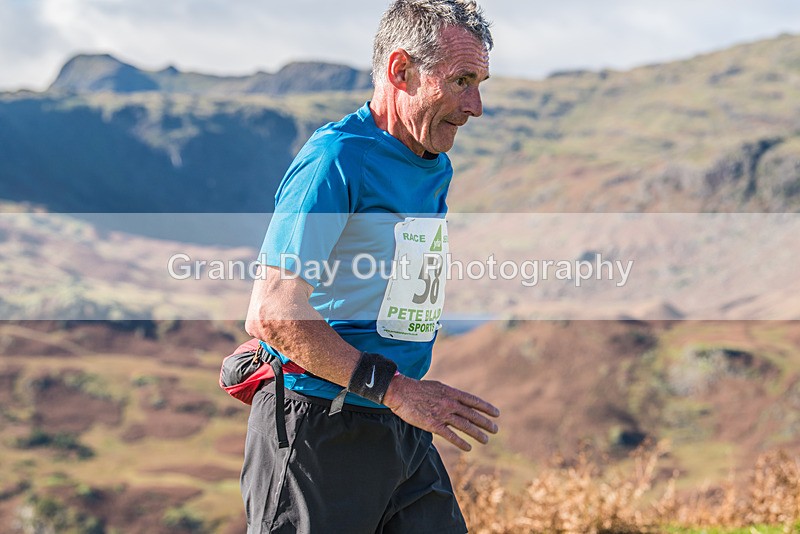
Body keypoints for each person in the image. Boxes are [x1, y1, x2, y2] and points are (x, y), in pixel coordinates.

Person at [241, 1, 498, 532]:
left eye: (481, 82)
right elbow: (272, 312)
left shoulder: (433, 161)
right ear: (400, 71)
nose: (476, 106)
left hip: (398, 424)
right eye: (462, 81)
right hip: (319, 427)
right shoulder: (336, 159)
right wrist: (397, 389)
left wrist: (399, 395)